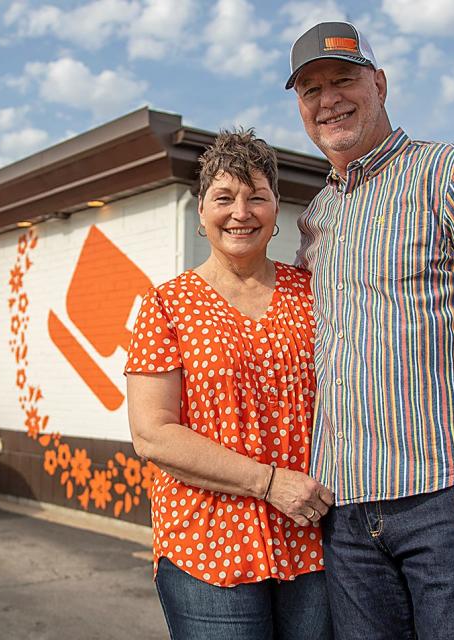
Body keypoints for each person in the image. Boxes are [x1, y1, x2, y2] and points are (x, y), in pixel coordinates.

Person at [286, 21, 454, 640]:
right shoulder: (318, 217)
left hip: (448, 505)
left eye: (344, 79)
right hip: (346, 512)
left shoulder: (450, 171)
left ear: (379, 83)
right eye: (311, 89)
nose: (329, 100)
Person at [125, 129, 335, 639]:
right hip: (207, 550)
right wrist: (268, 482)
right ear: (201, 213)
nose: (241, 211)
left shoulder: (314, 293)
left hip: (314, 543)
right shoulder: (166, 305)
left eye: (256, 196)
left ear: (276, 209)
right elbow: (152, 433)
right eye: (224, 197)